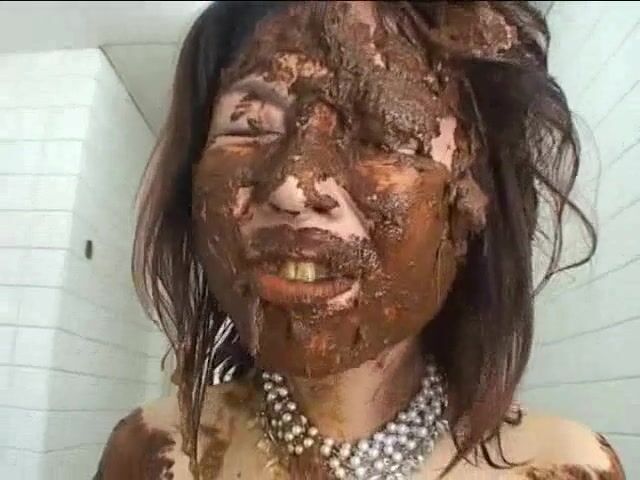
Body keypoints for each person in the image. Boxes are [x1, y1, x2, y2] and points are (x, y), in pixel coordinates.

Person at [93, 2, 626, 479]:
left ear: (473, 199)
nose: (293, 188)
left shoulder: (566, 467)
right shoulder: (151, 454)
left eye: (380, 135)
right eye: (250, 125)